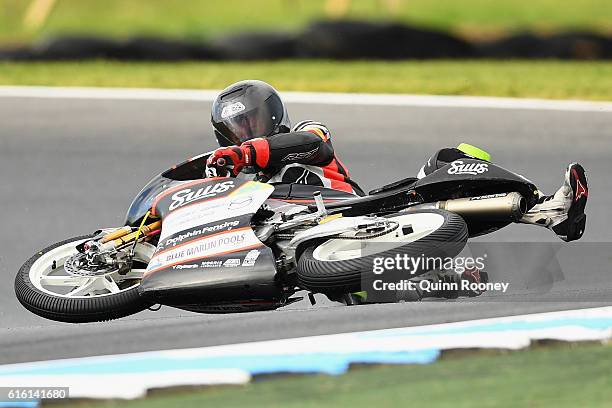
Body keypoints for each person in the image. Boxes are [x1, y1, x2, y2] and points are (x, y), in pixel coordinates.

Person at [206, 80, 588, 242]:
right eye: (238, 127)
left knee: (449, 159)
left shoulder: (306, 132)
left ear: (273, 116)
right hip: (286, 236)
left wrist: (246, 152)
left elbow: (315, 143)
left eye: (253, 121)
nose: (247, 132)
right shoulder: (230, 173)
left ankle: (546, 208)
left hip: (355, 207)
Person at [206, 79, 364, 196]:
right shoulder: (252, 192)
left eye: (254, 123)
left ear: (273, 116)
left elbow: (312, 144)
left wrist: (249, 153)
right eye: (237, 132)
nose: (247, 137)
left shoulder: (309, 130)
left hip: (354, 219)